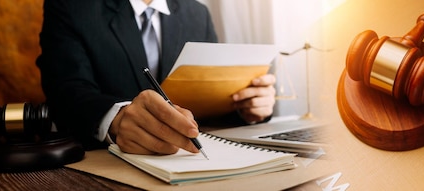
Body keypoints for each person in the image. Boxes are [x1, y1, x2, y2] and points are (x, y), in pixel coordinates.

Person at [36, 0, 276, 155]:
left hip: (190, 162)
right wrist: (116, 119)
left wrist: (247, 106)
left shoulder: (198, 14)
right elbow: (66, 90)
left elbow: (209, 91)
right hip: (107, 161)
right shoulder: (70, 6)